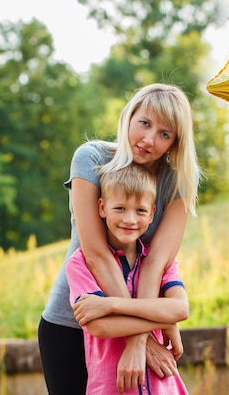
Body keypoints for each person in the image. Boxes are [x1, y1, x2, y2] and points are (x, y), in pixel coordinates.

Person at [38, 83, 200, 395]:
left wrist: (139, 341)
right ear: (128, 116)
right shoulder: (91, 158)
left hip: (132, 326)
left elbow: (155, 263)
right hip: (73, 323)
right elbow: (96, 253)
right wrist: (146, 339)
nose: (150, 139)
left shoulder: (178, 181)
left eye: (165, 134)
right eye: (145, 123)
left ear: (175, 143)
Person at [66, 163, 189, 394]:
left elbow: (180, 309)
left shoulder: (162, 261)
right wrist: (164, 320)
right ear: (102, 208)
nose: (130, 219)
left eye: (140, 211)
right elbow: (100, 326)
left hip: (164, 385)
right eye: (120, 208)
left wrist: (110, 304)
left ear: (152, 213)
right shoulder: (80, 264)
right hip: (113, 386)